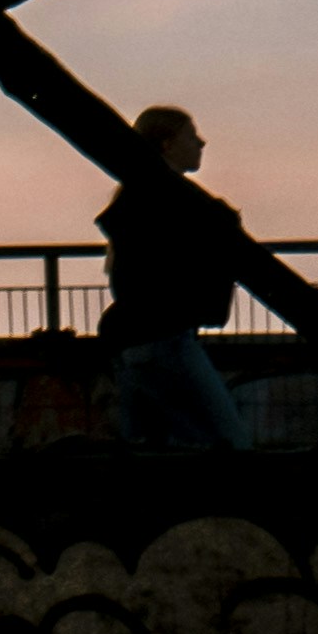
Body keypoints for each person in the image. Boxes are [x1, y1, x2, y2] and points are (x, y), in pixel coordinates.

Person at [97, 106, 251, 451]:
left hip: (134, 341)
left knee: (155, 447)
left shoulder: (139, 201)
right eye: (191, 135)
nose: (201, 142)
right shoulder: (167, 203)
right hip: (165, 338)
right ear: (167, 144)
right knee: (230, 443)